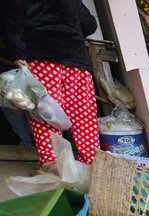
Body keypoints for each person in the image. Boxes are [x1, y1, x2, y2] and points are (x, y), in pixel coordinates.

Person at [3, 0, 100, 169]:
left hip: (42, 57)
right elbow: (89, 24)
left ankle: (52, 165)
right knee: (83, 114)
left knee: (47, 113)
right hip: (76, 59)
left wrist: (17, 51)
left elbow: (11, 19)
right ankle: (91, 164)